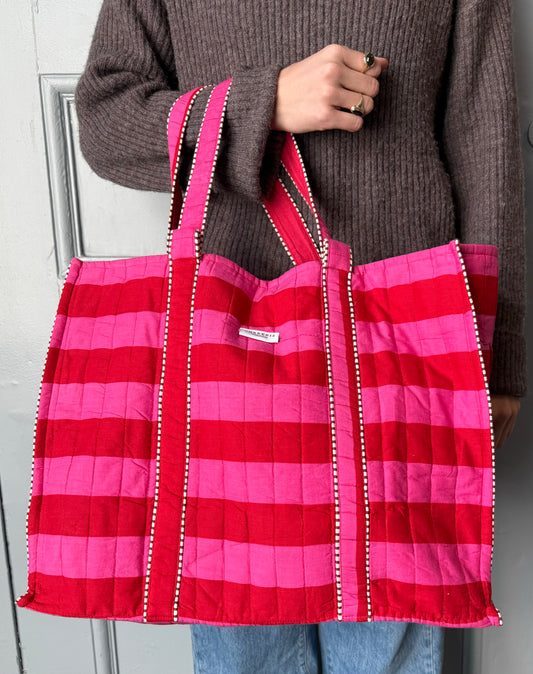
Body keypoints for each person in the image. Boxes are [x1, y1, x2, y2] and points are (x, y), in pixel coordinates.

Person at [74, 1, 526, 672]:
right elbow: (108, 124)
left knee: (384, 647)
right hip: (225, 365)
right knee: (243, 650)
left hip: (406, 360)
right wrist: (262, 103)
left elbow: (485, 144)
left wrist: (498, 358)